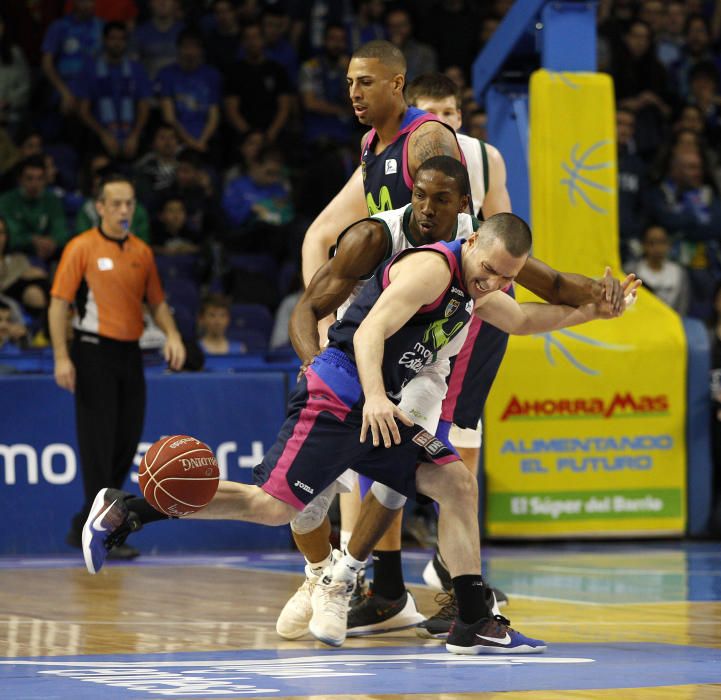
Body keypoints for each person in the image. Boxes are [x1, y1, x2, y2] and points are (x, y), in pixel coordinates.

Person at [81, 202, 637, 656]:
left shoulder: (479, 291)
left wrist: (591, 313)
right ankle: (127, 508)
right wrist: (374, 395)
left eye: (505, 278)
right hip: (340, 392)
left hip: (380, 411)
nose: (493, 281)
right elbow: (370, 331)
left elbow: (521, 320)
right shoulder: (435, 268)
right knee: (273, 508)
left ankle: (473, 620)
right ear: (472, 243)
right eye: (488, 268)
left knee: (454, 482)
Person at [297, 42, 625, 636]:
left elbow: (518, 264)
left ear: (398, 87)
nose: (352, 93)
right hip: (390, 320)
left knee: (434, 464)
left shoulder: (432, 149)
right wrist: (321, 334)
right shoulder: (373, 148)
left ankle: (394, 580)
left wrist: (590, 300)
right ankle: (349, 576)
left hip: (445, 321)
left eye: (364, 82)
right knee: (351, 472)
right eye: (349, 82)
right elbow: (321, 235)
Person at [49, 173, 186, 557]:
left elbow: (156, 302)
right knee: (98, 445)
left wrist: (172, 334)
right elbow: (59, 302)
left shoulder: (142, 251)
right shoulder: (81, 247)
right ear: (100, 207)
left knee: (126, 443)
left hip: (131, 355)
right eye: (116, 203)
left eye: (129, 203)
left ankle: (88, 526)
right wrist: (62, 356)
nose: (124, 209)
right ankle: (100, 531)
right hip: (93, 354)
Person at [77, 21, 152, 160]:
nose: (117, 43)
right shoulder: (90, 70)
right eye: (113, 38)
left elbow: (144, 107)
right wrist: (103, 134)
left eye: (121, 39)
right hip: (100, 135)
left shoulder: (137, 70)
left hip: (131, 133)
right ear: (104, 40)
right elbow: (83, 111)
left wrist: (134, 136)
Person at [224, 23, 294, 146]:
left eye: (256, 37)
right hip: (244, 136)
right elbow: (232, 111)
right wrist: (250, 136)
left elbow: (284, 107)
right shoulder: (234, 72)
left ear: (263, 40)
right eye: (248, 38)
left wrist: (271, 133)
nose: (252, 42)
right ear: (242, 43)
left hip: (272, 134)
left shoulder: (277, 70)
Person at [156, 29, 221, 154]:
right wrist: (191, 143)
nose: (190, 52)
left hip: (206, 141)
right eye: (186, 47)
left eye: (195, 47)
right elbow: (169, 117)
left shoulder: (212, 75)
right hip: (176, 140)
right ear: (178, 49)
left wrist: (202, 141)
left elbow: (214, 115)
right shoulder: (166, 74)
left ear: (201, 50)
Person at [0, 155, 67, 262]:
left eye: (40, 178)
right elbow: (10, 236)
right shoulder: (6, 201)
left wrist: (52, 242)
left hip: (49, 253)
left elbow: (61, 231)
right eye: (29, 178)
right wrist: (33, 241)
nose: (35, 184)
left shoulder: (52, 200)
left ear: (45, 180)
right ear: (20, 180)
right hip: (16, 255)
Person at [41, 0, 103, 116]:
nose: (87, 5)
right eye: (82, 2)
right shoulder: (59, 27)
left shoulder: (102, 26)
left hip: (96, 90)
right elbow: (46, 64)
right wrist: (64, 92)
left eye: (90, 1)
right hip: (67, 87)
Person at [628, 224, 689, 315]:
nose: (657, 248)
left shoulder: (679, 272)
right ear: (644, 245)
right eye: (652, 243)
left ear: (668, 244)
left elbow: (682, 306)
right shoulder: (632, 271)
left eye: (662, 242)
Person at [130, 0, 184, 80]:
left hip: (180, 87)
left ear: (176, 3)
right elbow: (133, 66)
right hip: (149, 88)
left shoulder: (184, 33)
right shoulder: (139, 34)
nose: (162, 2)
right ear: (150, 3)